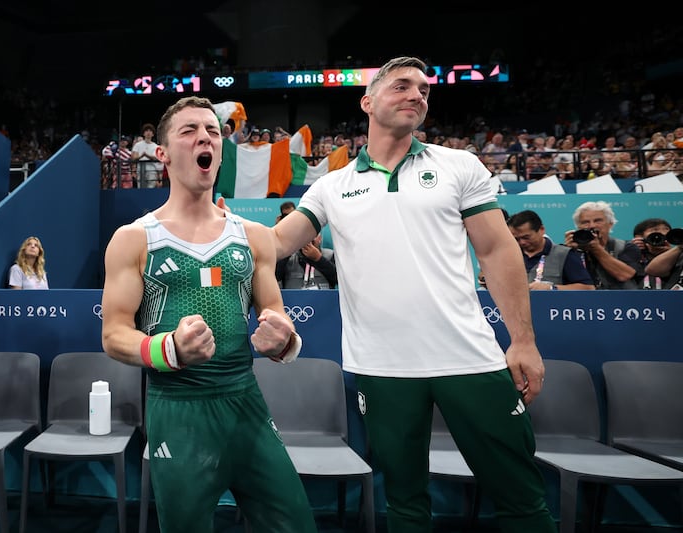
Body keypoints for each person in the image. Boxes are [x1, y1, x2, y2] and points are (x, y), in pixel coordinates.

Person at [236, 56, 556, 532]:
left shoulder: (458, 166)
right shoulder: (330, 186)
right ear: (367, 102)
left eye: (424, 90)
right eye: (402, 86)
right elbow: (278, 242)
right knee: (405, 505)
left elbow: (496, 250)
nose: (417, 95)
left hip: (470, 360)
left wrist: (523, 340)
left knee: (522, 501)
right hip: (381, 369)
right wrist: (215, 225)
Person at [100, 96, 317, 533]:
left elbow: (275, 312)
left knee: (295, 525)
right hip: (177, 410)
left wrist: (284, 339)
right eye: (189, 131)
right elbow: (114, 335)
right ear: (162, 154)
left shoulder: (253, 236)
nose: (205, 137)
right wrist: (168, 349)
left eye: (213, 132)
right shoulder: (133, 238)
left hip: (245, 404)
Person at [506, 210, 595, 291]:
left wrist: (552, 288)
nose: (522, 242)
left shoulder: (564, 255)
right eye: (516, 239)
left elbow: (588, 288)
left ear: (541, 230)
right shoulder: (507, 257)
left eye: (526, 237)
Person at [564, 200, 642, 289]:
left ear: (610, 224)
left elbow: (625, 275)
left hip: (619, 299)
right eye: (585, 222)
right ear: (578, 227)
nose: (591, 226)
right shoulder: (572, 250)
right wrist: (568, 252)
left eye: (598, 221)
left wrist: (596, 249)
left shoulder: (626, 247)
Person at [131, 123, 163, 188]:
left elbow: (157, 158)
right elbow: (134, 157)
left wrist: (147, 155)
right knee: (140, 188)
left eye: (150, 131)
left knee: (151, 187)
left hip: (152, 170)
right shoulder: (138, 145)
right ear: (143, 133)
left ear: (153, 134)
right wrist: (141, 156)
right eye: (146, 131)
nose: (148, 133)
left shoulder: (156, 146)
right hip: (140, 170)